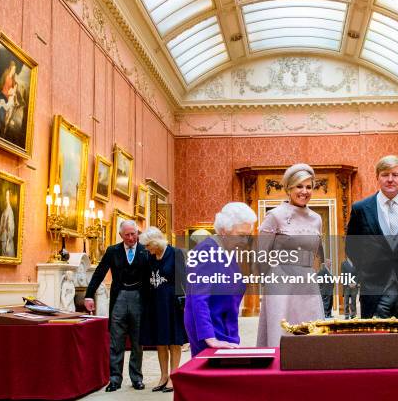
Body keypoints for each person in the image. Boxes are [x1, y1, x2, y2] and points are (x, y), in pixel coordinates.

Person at [346, 155, 398, 319]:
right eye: (385, 175)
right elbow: (352, 247)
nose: (390, 179)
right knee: (375, 342)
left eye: (395, 175)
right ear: (377, 177)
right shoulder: (360, 208)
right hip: (375, 291)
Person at [256, 163, 325, 347]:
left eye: (309, 187)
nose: (304, 191)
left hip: (307, 282)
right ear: (288, 188)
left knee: (310, 334)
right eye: (299, 186)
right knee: (281, 334)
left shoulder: (317, 219)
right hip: (280, 282)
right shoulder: (275, 216)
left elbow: (316, 254)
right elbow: (261, 254)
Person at [184, 202, 257, 357]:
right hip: (211, 330)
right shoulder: (206, 251)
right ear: (224, 231)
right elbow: (198, 299)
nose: (245, 241)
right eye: (241, 235)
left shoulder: (227, 251)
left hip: (224, 326)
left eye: (248, 236)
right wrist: (210, 338)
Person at [84, 220, 149, 392]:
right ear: (121, 235)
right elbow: (99, 273)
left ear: (137, 233)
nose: (131, 238)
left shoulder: (145, 250)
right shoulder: (113, 251)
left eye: (133, 234)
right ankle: (114, 379)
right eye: (127, 235)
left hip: (138, 298)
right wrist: (89, 294)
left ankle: (136, 378)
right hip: (119, 297)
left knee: (137, 341)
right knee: (116, 341)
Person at [138, 227, 187, 393]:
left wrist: (186, 302)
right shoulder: (150, 257)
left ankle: (174, 376)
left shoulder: (175, 253)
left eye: (148, 245)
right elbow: (146, 281)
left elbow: (184, 280)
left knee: (174, 341)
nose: (146, 249)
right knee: (160, 340)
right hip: (155, 303)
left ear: (156, 242)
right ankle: (163, 376)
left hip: (172, 303)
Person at [0, 189, 16, 257]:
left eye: (7, 195)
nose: (6, 197)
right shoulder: (4, 210)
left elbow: (10, 228)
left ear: (10, 197)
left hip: (7, 241)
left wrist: (8, 244)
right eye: (6, 195)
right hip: (2, 239)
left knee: (6, 256)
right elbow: (2, 226)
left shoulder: (10, 211)